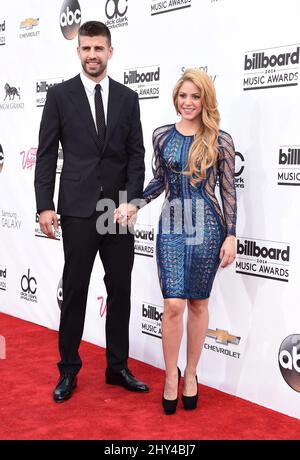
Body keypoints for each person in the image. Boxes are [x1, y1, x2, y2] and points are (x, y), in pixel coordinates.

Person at [34, 21, 148, 402]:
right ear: (78, 51)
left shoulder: (129, 98)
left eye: (99, 48)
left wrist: (132, 201)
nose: (92, 55)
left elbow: (136, 155)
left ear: (110, 51)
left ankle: (117, 368)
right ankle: (68, 370)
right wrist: (45, 205)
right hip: (79, 208)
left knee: (120, 289)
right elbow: (47, 154)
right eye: (86, 48)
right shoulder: (59, 96)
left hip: (115, 210)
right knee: (76, 289)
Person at [139, 69, 237, 414]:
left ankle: (191, 374)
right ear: (175, 98)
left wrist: (231, 235)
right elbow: (159, 182)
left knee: (197, 303)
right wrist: (132, 204)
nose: (188, 102)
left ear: (205, 99)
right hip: (173, 223)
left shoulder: (220, 140)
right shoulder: (162, 136)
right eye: (183, 96)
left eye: (196, 96)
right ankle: (170, 375)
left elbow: (228, 191)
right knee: (173, 305)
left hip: (208, 226)